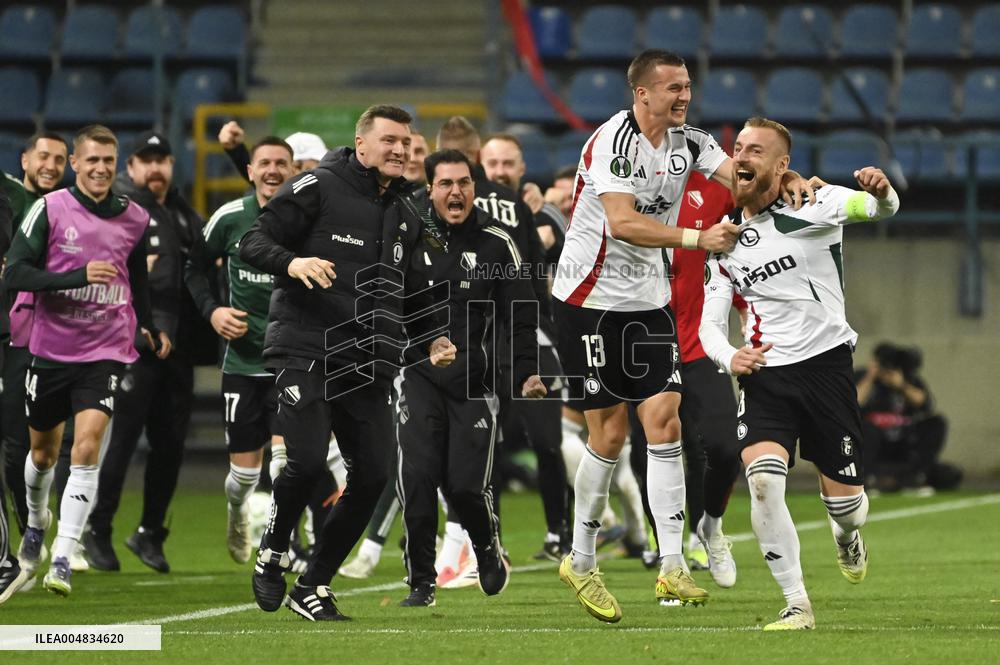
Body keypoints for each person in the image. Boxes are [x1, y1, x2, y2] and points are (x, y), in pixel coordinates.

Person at [551, 49, 811, 623]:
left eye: (687, 86)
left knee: (663, 418)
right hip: (588, 302)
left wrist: (782, 175)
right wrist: (697, 239)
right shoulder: (612, 144)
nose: (684, 95)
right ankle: (581, 558)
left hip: (649, 304)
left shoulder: (689, 143)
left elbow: (740, 177)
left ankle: (673, 563)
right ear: (641, 94)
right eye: (672, 87)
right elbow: (621, 222)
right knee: (611, 433)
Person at [239, 104, 455, 621]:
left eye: (406, 142)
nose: (401, 150)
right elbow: (254, 240)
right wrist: (293, 261)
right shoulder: (317, 186)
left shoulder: (406, 212)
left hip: (368, 359)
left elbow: (413, 295)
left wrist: (432, 338)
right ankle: (272, 551)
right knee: (308, 461)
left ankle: (313, 583)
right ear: (361, 145)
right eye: (389, 141)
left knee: (376, 474)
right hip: (307, 344)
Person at [700, 117, 900, 630]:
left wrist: (882, 191)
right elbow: (709, 325)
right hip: (767, 374)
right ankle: (796, 603)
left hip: (828, 367)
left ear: (782, 165)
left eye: (757, 150)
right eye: (738, 148)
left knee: (847, 509)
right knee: (763, 482)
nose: (742, 156)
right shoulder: (724, 241)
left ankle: (847, 535)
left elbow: (875, 209)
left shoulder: (815, 202)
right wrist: (729, 357)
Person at [4, 124, 162, 596]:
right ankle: (36, 522)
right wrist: (73, 276)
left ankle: (63, 556)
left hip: (106, 348)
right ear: (76, 163)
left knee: (88, 446)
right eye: (91, 160)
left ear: (116, 167)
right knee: (41, 454)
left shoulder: (134, 217)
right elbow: (15, 272)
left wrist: (148, 325)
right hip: (51, 349)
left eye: (107, 162)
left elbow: (136, 277)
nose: (99, 169)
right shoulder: (50, 209)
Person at [397, 150, 545, 607]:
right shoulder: (408, 237)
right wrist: (424, 347)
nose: (455, 192)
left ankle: (485, 547)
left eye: (463, 183)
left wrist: (527, 372)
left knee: (464, 486)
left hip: (475, 385)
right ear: (430, 190)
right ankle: (421, 580)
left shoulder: (497, 242)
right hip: (418, 376)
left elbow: (521, 313)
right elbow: (391, 306)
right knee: (418, 478)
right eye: (445, 184)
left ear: (474, 189)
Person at [440, 119, 570, 562]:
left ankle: (559, 533)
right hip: (482, 339)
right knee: (484, 441)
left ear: (522, 167)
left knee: (545, 440)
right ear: (480, 161)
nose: (498, 170)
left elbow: (540, 272)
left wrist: (544, 330)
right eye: (491, 162)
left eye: (507, 163)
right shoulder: (461, 207)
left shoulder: (524, 208)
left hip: (522, 334)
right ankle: (488, 538)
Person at [84, 131, 207, 574]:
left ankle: (150, 532)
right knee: (119, 440)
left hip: (178, 350)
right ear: (131, 167)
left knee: (170, 446)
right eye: (146, 160)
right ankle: (96, 529)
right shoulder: (119, 210)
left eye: (163, 159)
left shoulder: (183, 214)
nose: (155, 167)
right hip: (130, 343)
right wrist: (140, 326)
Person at [184, 136, 294, 564]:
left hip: (292, 361)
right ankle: (237, 512)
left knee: (286, 464)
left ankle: (276, 543)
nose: (272, 170)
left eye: (281, 164)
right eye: (264, 163)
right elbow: (194, 265)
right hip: (244, 361)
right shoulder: (229, 218)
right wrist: (213, 313)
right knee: (242, 477)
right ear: (249, 171)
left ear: (292, 171)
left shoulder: (308, 222)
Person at [2, 134, 73, 562]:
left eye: (59, 159)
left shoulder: (70, 206)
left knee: (22, 443)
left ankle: (31, 520)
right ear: (24, 158)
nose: (50, 164)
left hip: (43, 336)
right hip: (9, 329)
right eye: (42, 156)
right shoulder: (8, 193)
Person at [856, 343, 959, 492]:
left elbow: (924, 402)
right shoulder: (863, 376)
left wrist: (901, 385)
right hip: (874, 445)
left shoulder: (907, 379)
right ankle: (868, 477)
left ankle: (916, 475)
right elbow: (854, 401)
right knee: (865, 428)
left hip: (903, 443)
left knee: (937, 423)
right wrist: (871, 376)